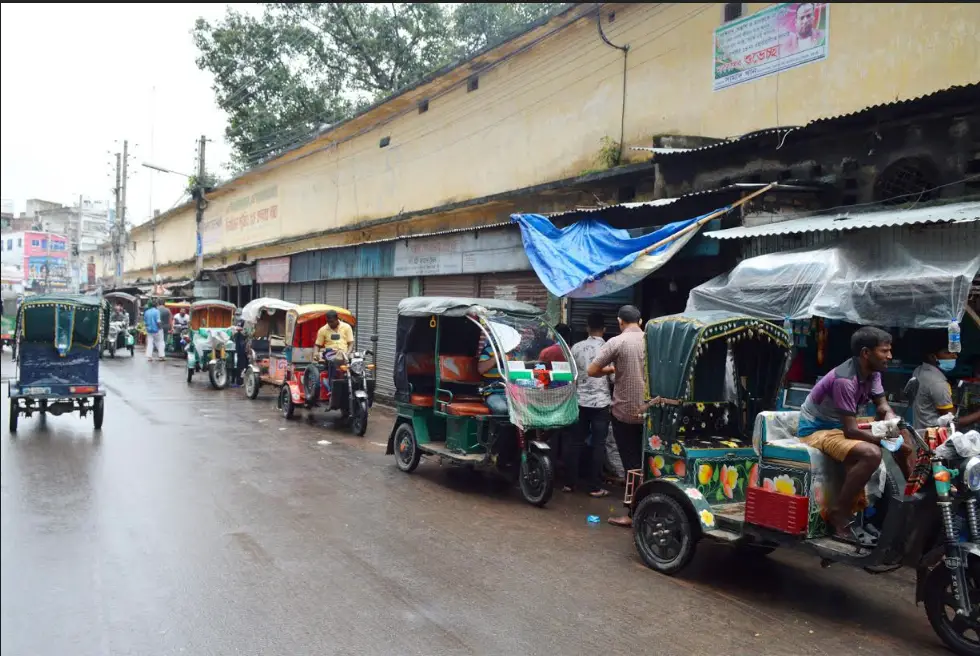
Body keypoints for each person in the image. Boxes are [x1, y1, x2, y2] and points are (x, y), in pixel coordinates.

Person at [798, 327, 912, 544]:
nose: (890, 356)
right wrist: (890, 442)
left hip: (841, 426)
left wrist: (892, 422)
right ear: (866, 353)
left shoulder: (874, 372)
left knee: (903, 429)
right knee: (871, 453)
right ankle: (839, 513)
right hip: (818, 429)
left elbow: (882, 405)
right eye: (884, 351)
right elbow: (850, 430)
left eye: (890, 351)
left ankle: (912, 494)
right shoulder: (845, 380)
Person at [588, 305, 647, 527]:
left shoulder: (617, 342)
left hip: (626, 412)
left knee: (631, 465)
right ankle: (648, 507)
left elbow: (592, 371)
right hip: (652, 412)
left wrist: (613, 370)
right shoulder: (653, 340)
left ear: (620, 321)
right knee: (648, 461)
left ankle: (632, 514)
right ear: (640, 322)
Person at [565, 312, 612, 497]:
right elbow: (614, 376)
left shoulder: (576, 347)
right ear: (605, 329)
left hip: (580, 401)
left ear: (587, 328)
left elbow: (571, 375)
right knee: (598, 444)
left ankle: (570, 483)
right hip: (601, 403)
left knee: (575, 442)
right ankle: (594, 487)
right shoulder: (609, 348)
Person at [907, 333, 957, 430]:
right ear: (932, 357)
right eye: (948, 352)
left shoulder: (918, 370)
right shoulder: (938, 383)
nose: (954, 356)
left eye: (954, 352)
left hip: (919, 429)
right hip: (933, 437)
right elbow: (952, 421)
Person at [314, 309, 354, 383]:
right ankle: (332, 383)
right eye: (328, 322)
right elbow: (317, 345)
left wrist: (348, 353)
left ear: (337, 319)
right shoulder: (322, 330)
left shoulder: (347, 327)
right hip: (330, 353)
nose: (330, 324)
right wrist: (316, 353)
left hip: (345, 353)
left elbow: (351, 343)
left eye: (332, 321)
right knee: (333, 361)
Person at [477, 332, 509, 415]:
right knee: (501, 408)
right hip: (493, 392)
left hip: (512, 393)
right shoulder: (488, 350)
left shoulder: (514, 352)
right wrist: (499, 354)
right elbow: (481, 369)